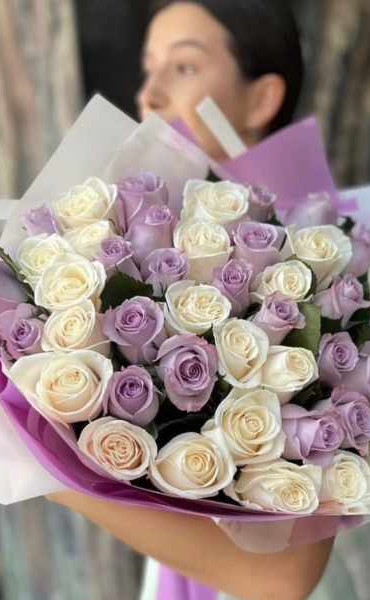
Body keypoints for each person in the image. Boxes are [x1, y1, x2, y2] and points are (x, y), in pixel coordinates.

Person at [48, 2, 334, 599]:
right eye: (148, 68)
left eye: (183, 68)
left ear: (262, 99)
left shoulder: (315, 277)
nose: (148, 95)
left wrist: (50, 472)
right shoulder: (150, 250)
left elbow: (282, 578)